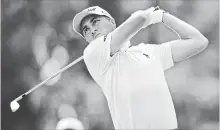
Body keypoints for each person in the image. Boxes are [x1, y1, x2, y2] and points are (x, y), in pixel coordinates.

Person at [72, 6, 208, 130]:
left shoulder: (149, 51)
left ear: (112, 22)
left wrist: (163, 16)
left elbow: (198, 41)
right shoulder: (92, 54)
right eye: (86, 30)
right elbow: (141, 18)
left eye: (95, 22)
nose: (92, 30)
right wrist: (149, 16)